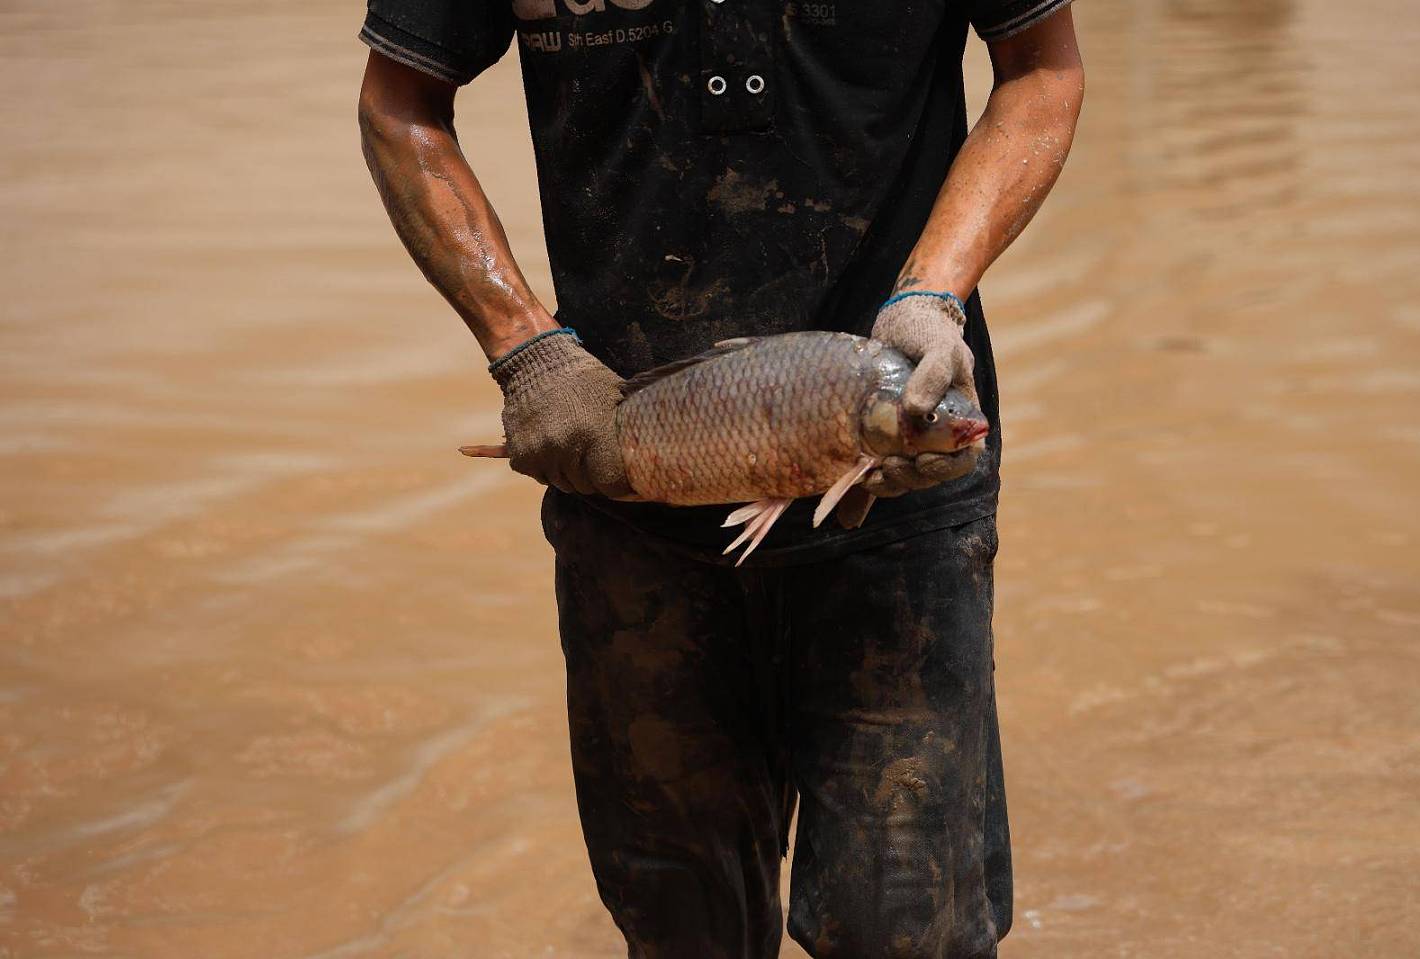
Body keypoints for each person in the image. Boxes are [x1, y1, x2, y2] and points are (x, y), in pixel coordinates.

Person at [357, 0, 1082, 955]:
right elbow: (400, 102)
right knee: (683, 927)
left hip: (894, 481)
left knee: (907, 927)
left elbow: (1040, 71)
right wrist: (524, 344)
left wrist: (932, 289)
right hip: (629, 497)